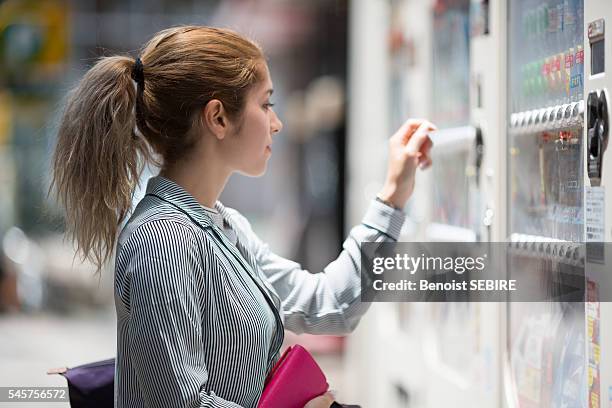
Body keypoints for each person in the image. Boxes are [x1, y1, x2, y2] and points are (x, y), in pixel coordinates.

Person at [50, 26, 434, 408]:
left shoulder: (224, 226)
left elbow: (329, 305)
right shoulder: (163, 239)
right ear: (217, 118)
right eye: (266, 104)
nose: (276, 122)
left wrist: (392, 196)